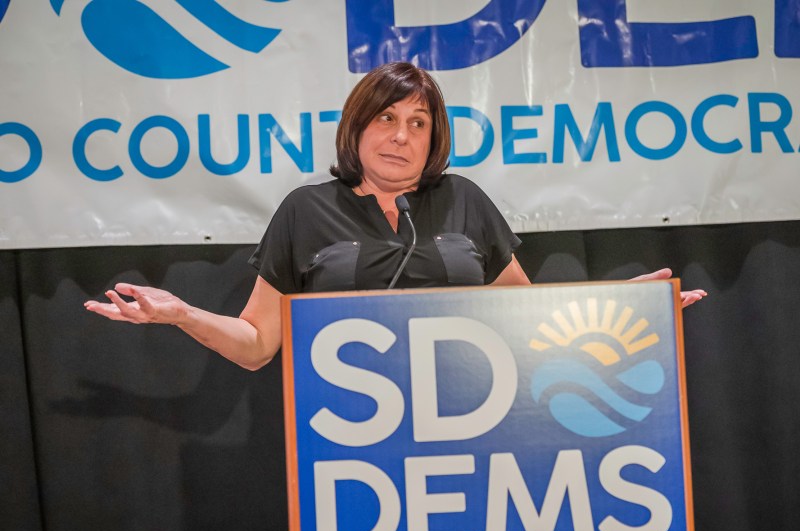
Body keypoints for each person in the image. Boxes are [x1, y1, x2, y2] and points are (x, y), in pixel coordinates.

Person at [84, 62, 706, 369]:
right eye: (386, 118)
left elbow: (530, 325)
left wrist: (623, 309)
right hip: (355, 443)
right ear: (357, 126)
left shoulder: (463, 198)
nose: (400, 136)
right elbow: (257, 346)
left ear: (433, 137)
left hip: (478, 419)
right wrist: (183, 314)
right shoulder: (306, 211)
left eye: (417, 122)